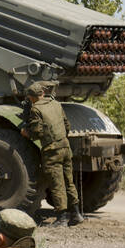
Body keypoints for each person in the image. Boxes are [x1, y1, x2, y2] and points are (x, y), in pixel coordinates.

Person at [20, 81, 83, 227]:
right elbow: (67, 125)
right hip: (65, 147)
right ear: (43, 93)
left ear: (32, 97)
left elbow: (37, 132)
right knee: (68, 181)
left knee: (56, 183)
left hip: (51, 150)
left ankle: (61, 217)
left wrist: (26, 133)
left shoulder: (35, 109)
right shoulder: (56, 104)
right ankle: (76, 214)